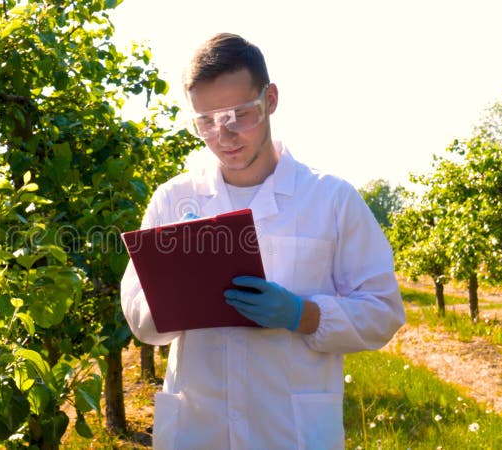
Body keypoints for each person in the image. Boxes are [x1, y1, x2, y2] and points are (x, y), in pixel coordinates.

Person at [120, 32, 405, 450]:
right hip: (199, 431)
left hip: (291, 433)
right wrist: (177, 298)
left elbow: (383, 311)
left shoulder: (330, 200)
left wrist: (303, 315)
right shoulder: (173, 199)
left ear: (270, 99)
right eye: (208, 121)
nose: (225, 134)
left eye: (241, 114)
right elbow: (138, 316)